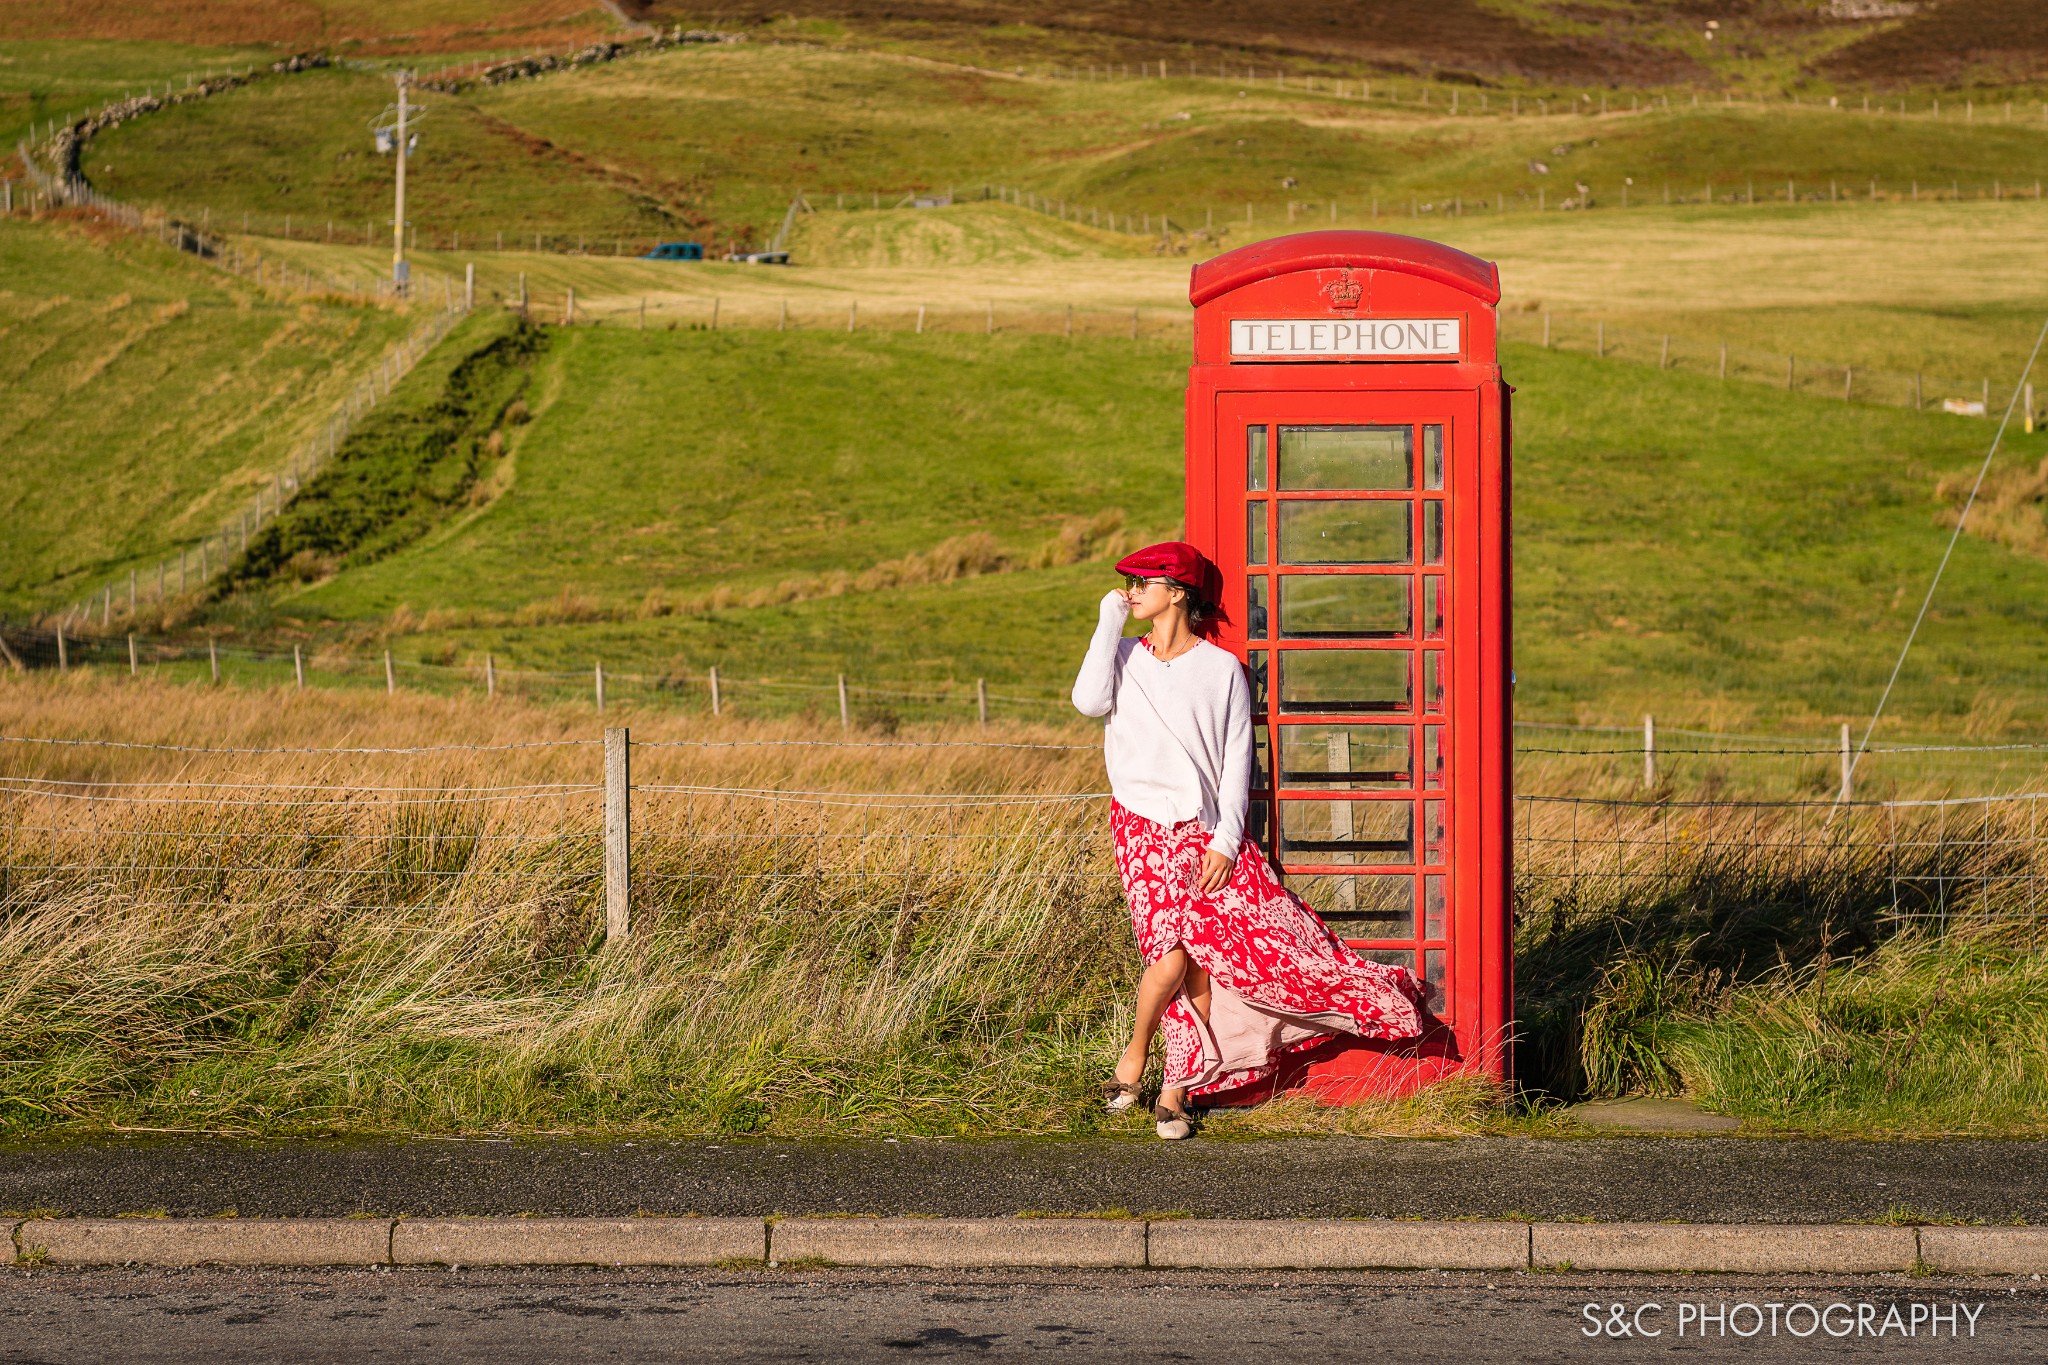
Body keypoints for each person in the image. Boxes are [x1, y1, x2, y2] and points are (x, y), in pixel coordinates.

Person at [1072, 541, 1428, 1139]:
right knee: (1168, 958)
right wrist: (1109, 618)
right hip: (1137, 827)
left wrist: (1226, 841)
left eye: (1141, 581)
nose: (1129, 590)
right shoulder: (1123, 656)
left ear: (1178, 591)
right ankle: (1135, 1056)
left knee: (1209, 960)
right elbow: (1087, 701)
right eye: (1126, 582)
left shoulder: (1220, 671)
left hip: (1201, 833)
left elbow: (1239, 761)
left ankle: (1175, 1088)